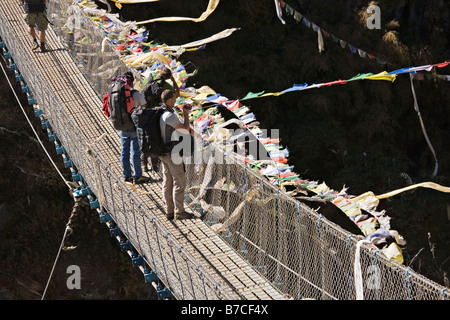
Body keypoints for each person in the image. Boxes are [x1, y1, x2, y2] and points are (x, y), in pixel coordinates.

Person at [159, 89, 194, 220]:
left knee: (167, 181)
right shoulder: (169, 116)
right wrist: (186, 114)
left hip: (162, 151)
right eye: (174, 99)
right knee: (179, 181)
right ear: (168, 100)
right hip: (171, 153)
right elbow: (185, 130)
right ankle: (179, 212)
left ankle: (169, 211)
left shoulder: (160, 112)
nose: (175, 101)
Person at [141, 67, 179, 173]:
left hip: (144, 112)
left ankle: (143, 163)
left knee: (144, 136)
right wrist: (173, 80)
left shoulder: (148, 79)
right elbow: (176, 94)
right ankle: (155, 166)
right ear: (168, 77)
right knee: (156, 137)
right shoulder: (165, 85)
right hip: (157, 114)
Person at [119, 72, 150, 185]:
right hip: (134, 126)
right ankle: (137, 176)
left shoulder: (118, 93)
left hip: (122, 125)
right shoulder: (136, 94)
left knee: (124, 151)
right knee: (135, 152)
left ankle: (126, 175)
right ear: (132, 81)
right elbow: (144, 107)